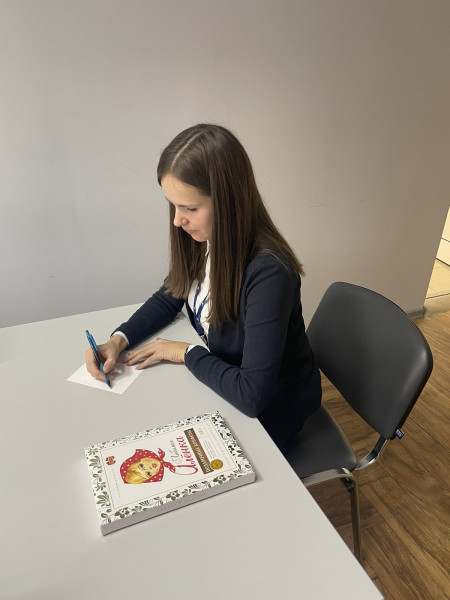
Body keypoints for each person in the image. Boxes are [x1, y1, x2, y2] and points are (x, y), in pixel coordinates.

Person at [86, 123, 321, 451]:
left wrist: (185, 352)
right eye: (173, 205)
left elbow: (252, 395)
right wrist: (118, 340)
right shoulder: (203, 237)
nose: (177, 220)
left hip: (271, 409)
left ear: (228, 202)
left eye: (189, 208)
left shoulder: (269, 273)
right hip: (224, 384)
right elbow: (170, 296)